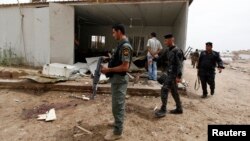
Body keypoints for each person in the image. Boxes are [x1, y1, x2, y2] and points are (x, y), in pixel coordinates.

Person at [101, 23, 133, 140]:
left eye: (114, 32)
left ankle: (117, 132)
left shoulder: (125, 47)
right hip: (116, 79)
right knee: (116, 104)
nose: (113, 34)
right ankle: (116, 122)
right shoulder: (120, 45)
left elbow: (125, 67)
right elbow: (118, 61)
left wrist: (108, 69)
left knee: (118, 105)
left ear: (119, 31)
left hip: (120, 80)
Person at [154, 34, 184, 118]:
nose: (165, 42)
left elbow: (179, 65)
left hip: (173, 74)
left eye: (166, 40)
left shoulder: (177, 51)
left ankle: (163, 109)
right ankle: (179, 108)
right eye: (165, 40)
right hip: (169, 72)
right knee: (174, 91)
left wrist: (179, 76)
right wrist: (153, 59)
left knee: (164, 89)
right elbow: (161, 58)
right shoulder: (168, 50)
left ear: (172, 40)